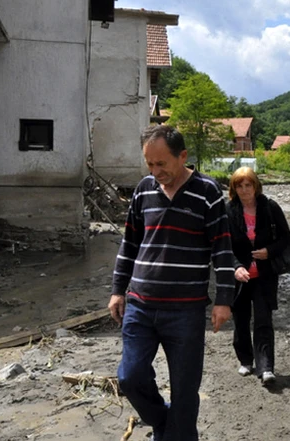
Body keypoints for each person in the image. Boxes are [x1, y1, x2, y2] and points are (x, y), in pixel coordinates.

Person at [108, 125, 236, 441]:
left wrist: (224, 300)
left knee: (185, 388)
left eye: (161, 163)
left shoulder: (207, 193)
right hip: (140, 304)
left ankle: (176, 434)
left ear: (182, 156)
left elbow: (222, 249)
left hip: (185, 311)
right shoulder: (143, 190)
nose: (155, 171)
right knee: (130, 376)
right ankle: (163, 423)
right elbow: (130, 243)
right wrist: (117, 291)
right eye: (149, 164)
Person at [226, 166, 290, 386]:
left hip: (265, 275)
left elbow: (286, 238)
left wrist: (269, 251)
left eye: (248, 185)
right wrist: (236, 267)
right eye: (240, 185)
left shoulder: (270, 207)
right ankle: (246, 360)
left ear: (256, 186)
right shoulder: (229, 211)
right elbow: (222, 246)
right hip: (240, 277)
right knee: (241, 319)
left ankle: (266, 368)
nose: (245, 190)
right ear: (234, 188)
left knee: (264, 320)